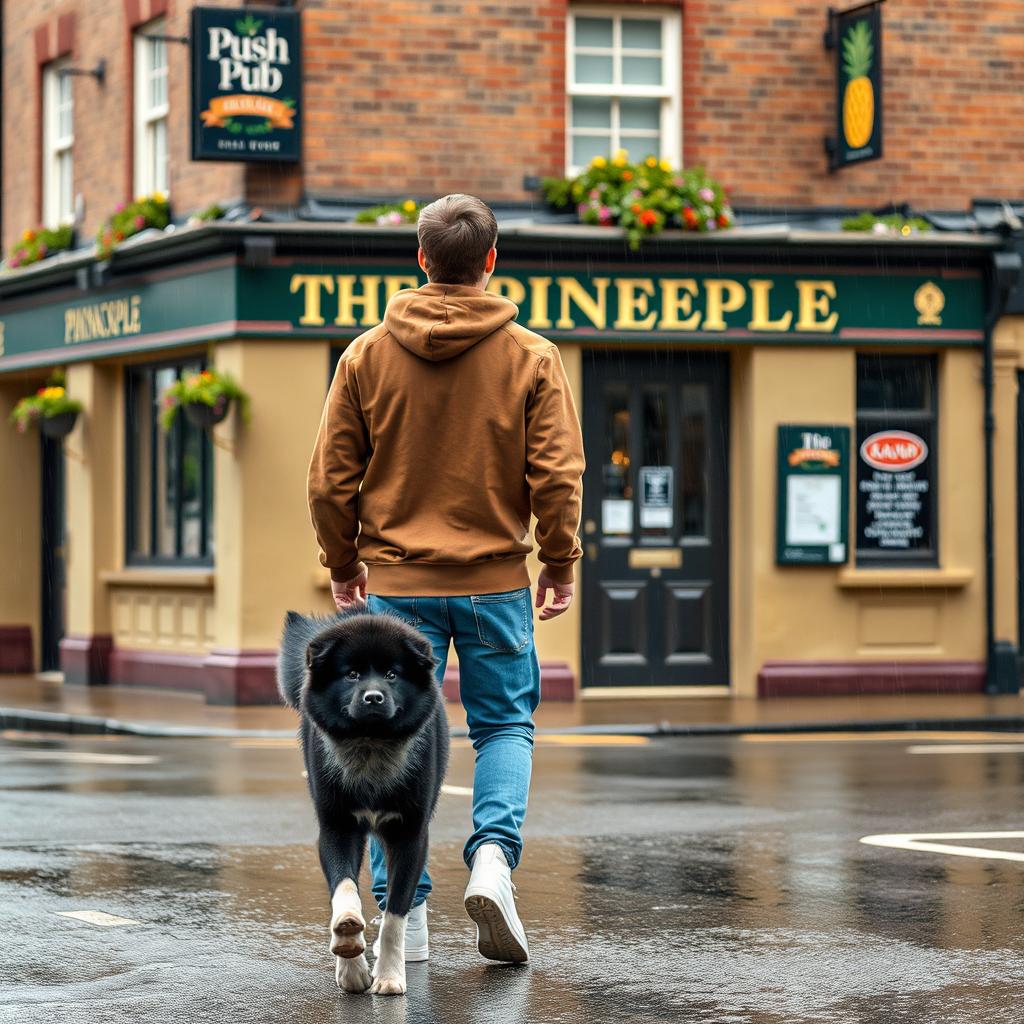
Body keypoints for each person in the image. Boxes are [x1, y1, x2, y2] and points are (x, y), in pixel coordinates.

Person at [307, 193, 584, 965]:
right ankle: (493, 858)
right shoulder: (532, 356)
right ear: (491, 262)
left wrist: (343, 562)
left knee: (408, 735)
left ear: (421, 260)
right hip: (496, 581)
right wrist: (559, 562)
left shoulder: (365, 355)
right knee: (503, 724)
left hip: (397, 589)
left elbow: (330, 481)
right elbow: (559, 474)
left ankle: (411, 906)